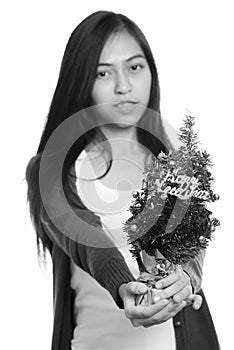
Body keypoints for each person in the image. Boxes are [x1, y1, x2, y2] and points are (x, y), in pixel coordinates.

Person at [26, 10, 220, 350]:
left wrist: (187, 278)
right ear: (81, 80)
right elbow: (87, 241)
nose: (123, 86)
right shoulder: (51, 170)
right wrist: (122, 285)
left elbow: (193, 240)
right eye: (103, 72)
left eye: (134, 67)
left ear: (150, 72)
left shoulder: (177, 162)